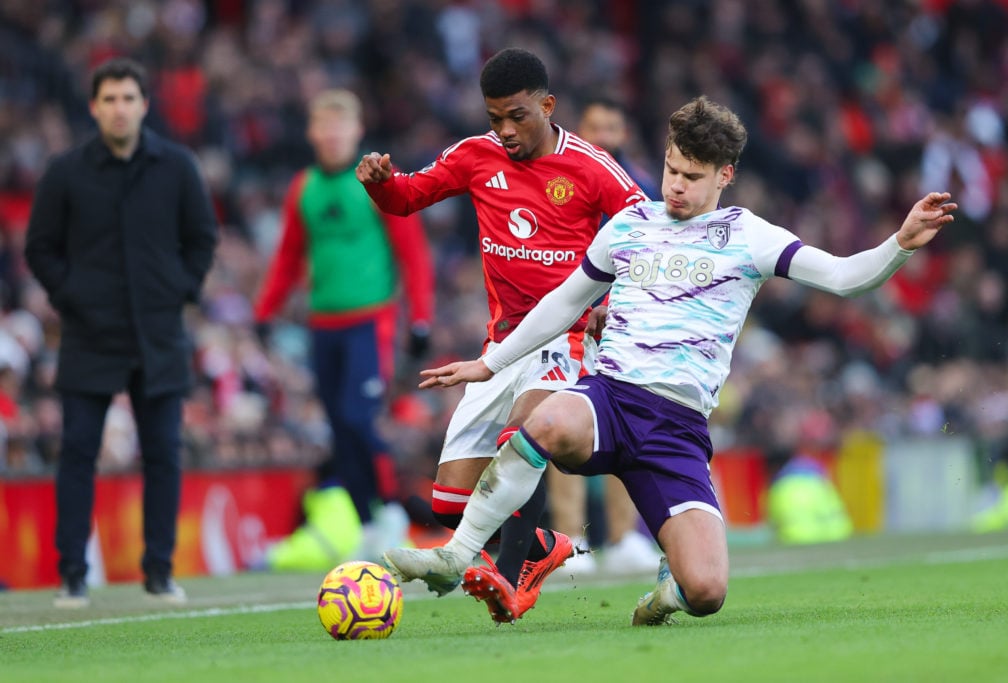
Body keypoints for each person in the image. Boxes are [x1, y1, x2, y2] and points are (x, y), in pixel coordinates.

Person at [381, 95, 957, 625]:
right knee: (546, 422)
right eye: (670, 170)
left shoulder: (747, 236)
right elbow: (563, 303)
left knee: (707, 592)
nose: (675, 186)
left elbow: (841, 276)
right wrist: (492, 363)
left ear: (724, 176)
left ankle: (666, 592)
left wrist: (899, 243)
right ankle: (457, 556)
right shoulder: (630, 224)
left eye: (692, 177)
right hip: (610, 399)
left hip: (675, 430)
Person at [356, 47, 647, 622]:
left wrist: (611, 301)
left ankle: (511, 580)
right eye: (495, 119)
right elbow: (408, 198)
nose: (506, 131)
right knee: (448, 503)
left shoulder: (592, 168)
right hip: (502, 344)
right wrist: (380, 184)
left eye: (518, 116)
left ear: (548, 105)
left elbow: (647, 237)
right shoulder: (475, 156)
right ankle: (541, 548)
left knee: (527, 432)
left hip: (566, 339)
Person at [24, 57, 218, 608]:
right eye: (108, 99)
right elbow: (39, 248)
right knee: (78, 453)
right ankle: (71, 576)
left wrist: (177, 290)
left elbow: (202, 238)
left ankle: (159, 572)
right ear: (93, 106)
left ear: (144, 105)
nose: (118, 108)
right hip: (89, 334)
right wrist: (72, 296)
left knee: (163, 454)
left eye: (128, 98)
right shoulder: (65, 171)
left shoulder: (176, 166)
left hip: (159, 334)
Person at [253, 89, 435, 570]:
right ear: (313, 132)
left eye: (341, 127)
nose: (332, 136)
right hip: (322, 324)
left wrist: (420, 316)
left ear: (356, 132)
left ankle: (392, 510)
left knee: (358, 417)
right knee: (338, 427)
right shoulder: (304, 188)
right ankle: (365, 524)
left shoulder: (374, 182)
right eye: (324, 127)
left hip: (370, 321)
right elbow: (289, 256)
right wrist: (265, 311)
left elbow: (412, 252)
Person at [545, 96, 663, 577]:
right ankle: (570, 541)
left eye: (613, 127)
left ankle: (621, 537)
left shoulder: (644, 190)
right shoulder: (559, 181)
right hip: (570, 320)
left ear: (624, 134)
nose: (605, 137)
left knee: (627, 425)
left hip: (626, 322)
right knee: (560, 425)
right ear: (582, 132)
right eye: (597, 128)